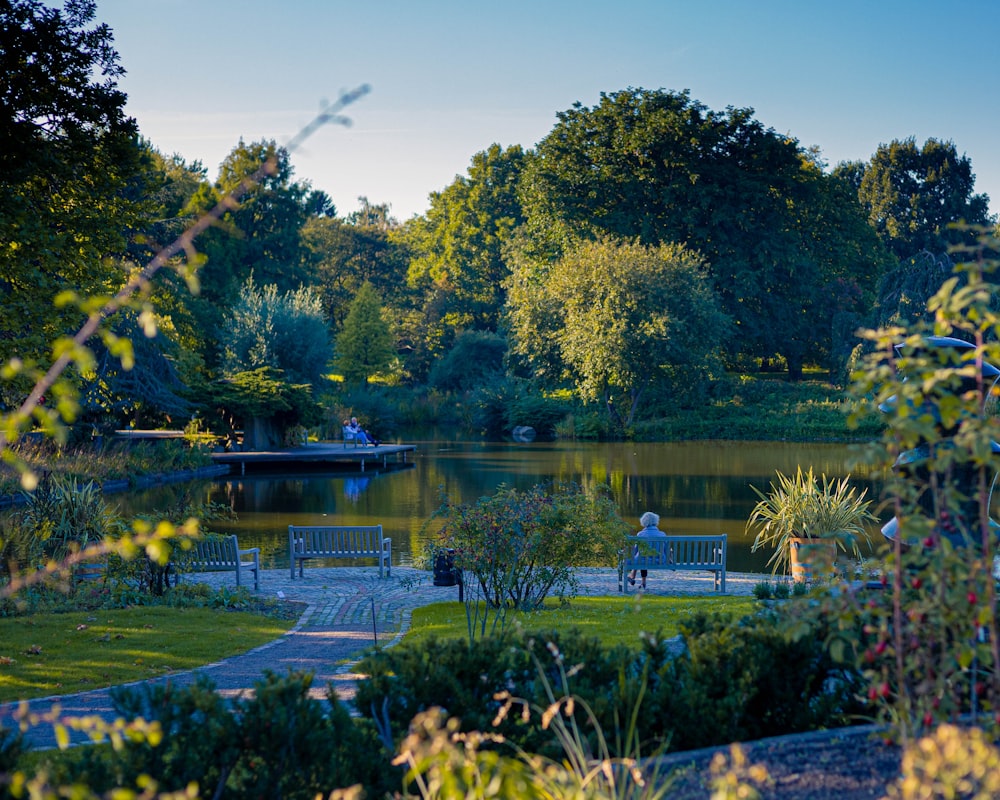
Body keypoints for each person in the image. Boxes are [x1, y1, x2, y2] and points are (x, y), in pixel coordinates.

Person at [628, 511, 669, 589]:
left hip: (643, 560)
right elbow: (666, 550)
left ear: (643, 522)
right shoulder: (662, 534)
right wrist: (669, 560)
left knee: (641, 557)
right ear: (656, 521)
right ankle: (642, 582)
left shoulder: (641, 534)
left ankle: (632, 576)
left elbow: (636, 551)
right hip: (659, 560)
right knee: (642, 556)